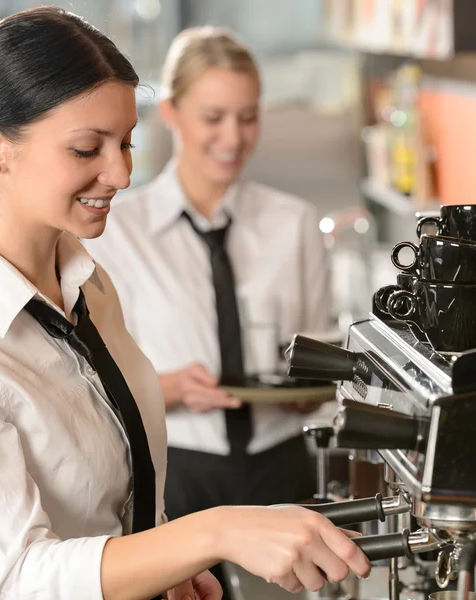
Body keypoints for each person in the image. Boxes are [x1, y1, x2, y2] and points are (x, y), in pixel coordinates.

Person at [0, 8, 369, 600]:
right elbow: (13, 580)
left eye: (124, 143)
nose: (120, 173)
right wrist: (212, 532)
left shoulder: (88, 284)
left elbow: (111, 498)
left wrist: (166, 560)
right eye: (86, 149)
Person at [83, 26, 333, 592]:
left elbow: (318, 361)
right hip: (176, 471)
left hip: (281, 465)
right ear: (170, 112)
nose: (233, 136)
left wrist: (305, 389)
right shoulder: (117, 231)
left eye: (248, 117)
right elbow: (95, 381)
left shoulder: (294, 222)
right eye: (214, 116)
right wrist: (172, 388)